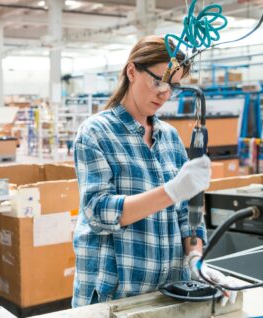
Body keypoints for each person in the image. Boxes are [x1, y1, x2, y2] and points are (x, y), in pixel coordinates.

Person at [72, 36, 237, 308]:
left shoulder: (170, 138)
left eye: (173, 85)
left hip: (168, 293)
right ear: (132, 71)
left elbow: (187, 215)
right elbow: (97, 211)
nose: (165, 93)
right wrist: (171, 191)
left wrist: (196, 259)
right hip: (114, 296)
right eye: (158, 80)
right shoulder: (95, 133)